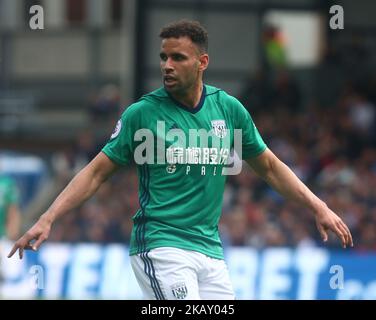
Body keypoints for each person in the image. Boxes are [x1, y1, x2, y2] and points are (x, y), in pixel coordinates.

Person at [8, 20, 353, 300]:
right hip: (160, 245)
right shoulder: (142, 113)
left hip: (210, 250)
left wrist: (318, 206)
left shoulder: (228, 110)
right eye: (163, 57)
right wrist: (48, 217)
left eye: (178, 58)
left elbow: (270, 167)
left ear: (202, 63)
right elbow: (97, 172)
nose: (167, 66)